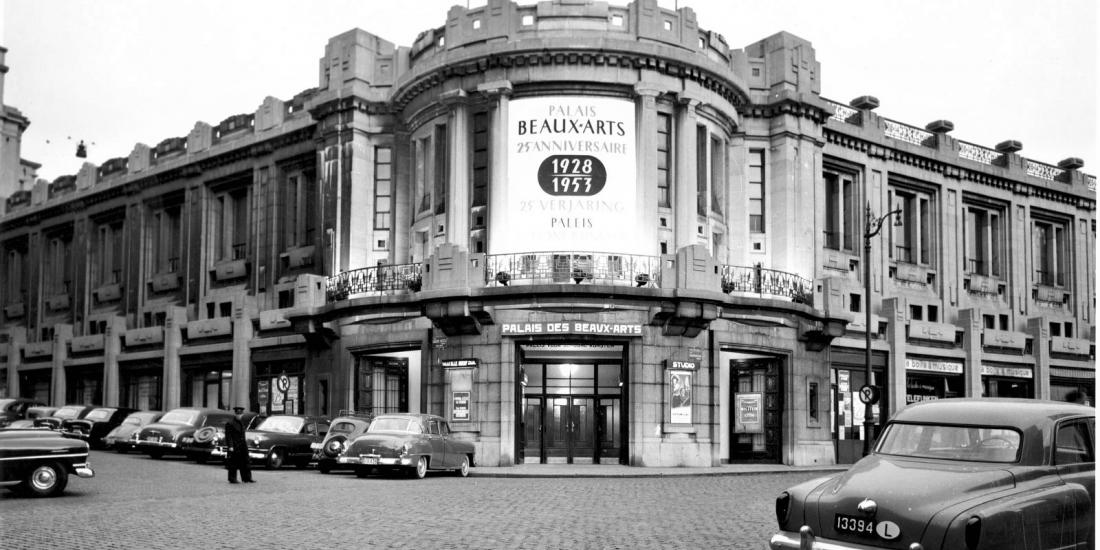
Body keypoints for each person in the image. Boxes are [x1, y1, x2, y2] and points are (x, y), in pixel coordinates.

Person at [224, 406, 254, 483]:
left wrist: (245, 445)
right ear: (235, 414)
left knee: (245, 462)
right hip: (234, 445)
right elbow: (228, 436)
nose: (239, 415)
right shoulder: (230, 423)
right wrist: (230, 446)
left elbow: (242, 435)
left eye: (240, 414)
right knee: (233, 463)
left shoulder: (241, 423)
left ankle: (247, 478)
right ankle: (232, 478)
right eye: (238, 414)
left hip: (242, 445)